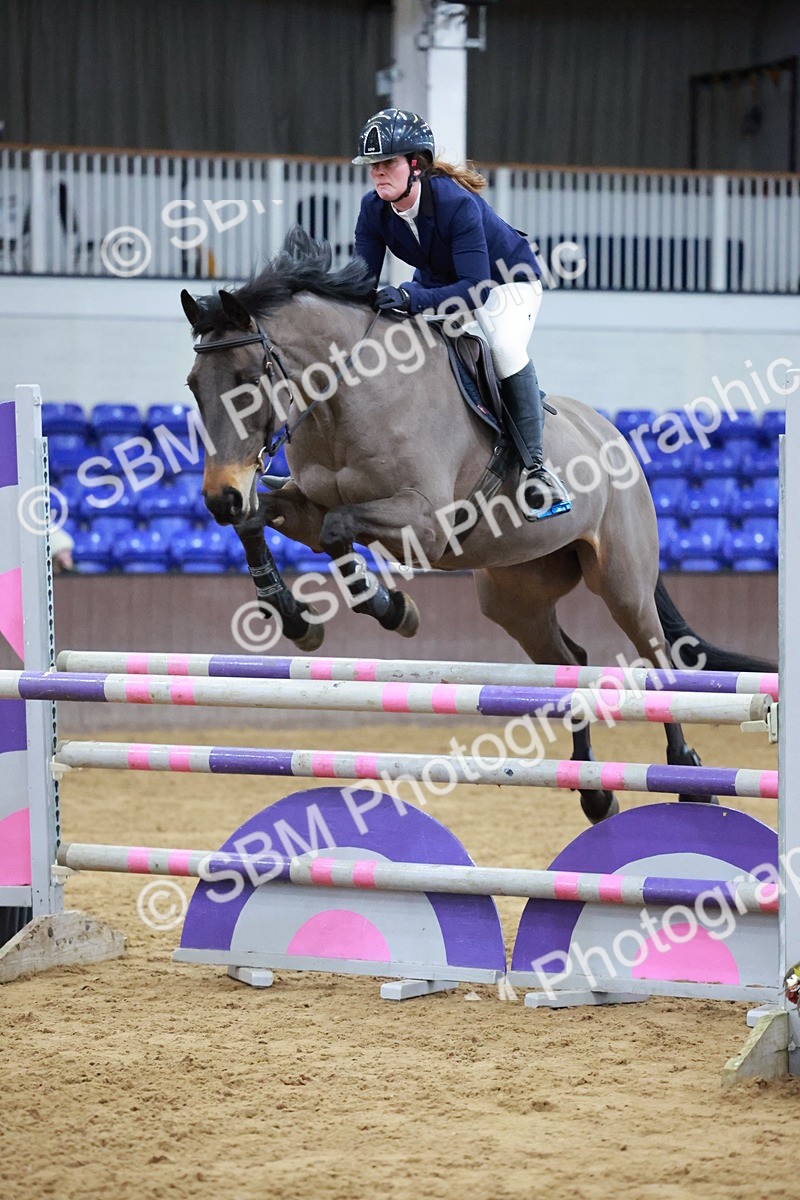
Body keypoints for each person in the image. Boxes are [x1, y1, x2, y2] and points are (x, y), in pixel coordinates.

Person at [353, 107, 571, 521]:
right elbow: (360, 283)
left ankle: (535, 470)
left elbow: (476, 290)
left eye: (387, 163)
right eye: (372, 165)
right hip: (442, 284)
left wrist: (410, 298)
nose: (377, 172)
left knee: (503, 348)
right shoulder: (373, 210)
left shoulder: (456, 203)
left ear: (415, 165)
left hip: (505, 282)